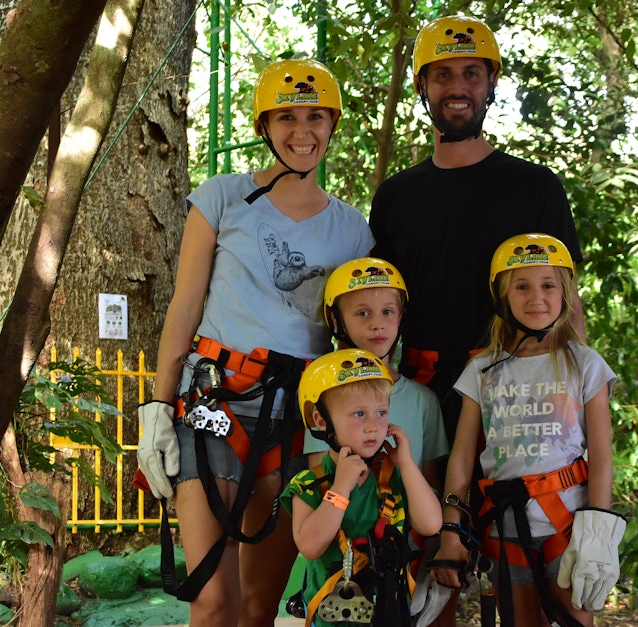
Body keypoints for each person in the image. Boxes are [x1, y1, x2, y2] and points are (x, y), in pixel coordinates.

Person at [135, 58, 375, 627]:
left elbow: (360, 332)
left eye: (316, 116)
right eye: (286, 117)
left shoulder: (353, 230)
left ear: (332, 124)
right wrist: (155, 405)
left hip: (298, 415)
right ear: (264, 125)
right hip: (215, 404)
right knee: (212, 603)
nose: (302, 131)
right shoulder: (221, 197)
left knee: (257, 607)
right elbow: (185, 305)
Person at [369, 15, 585, 446]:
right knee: (421, 512)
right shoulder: (395, 196)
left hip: (520, 384)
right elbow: (380, 306)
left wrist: (577, 396)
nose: (458, 87)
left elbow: (568, 301)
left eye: (472, 74)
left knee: (512, 513)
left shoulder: (535, 186)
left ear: (491, 83)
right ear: (421, 86)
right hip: (421, 389)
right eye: (443, 75)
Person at [431, 233, 625, 627]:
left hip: (568, 525)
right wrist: (452, 527)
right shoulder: (482, 370)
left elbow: (602, 455)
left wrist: (599, 533)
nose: (536, 297)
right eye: (522, 286)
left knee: (575, 620)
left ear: (565, 292)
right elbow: (463, 456)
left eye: (548, 285)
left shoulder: (585, 364)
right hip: (504, 526)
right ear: (503, 296)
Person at [281, 348, 442, 626]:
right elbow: (309, 546)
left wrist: (406, 464)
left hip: (390, 614)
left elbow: (430, 525)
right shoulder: (309, 484)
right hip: (331, 617)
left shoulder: (397, 477)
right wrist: (341, 487)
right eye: (358, 414)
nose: (373, 426)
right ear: (321, 421)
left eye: (381, 412)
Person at [304, 257, 448, 481]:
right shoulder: (324, 396)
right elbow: (318, 484)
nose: (378, 324)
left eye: (388, 312)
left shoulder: (424, 401)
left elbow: (432, 486)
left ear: (400, 316)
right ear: (335, 320)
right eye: (363, 313)